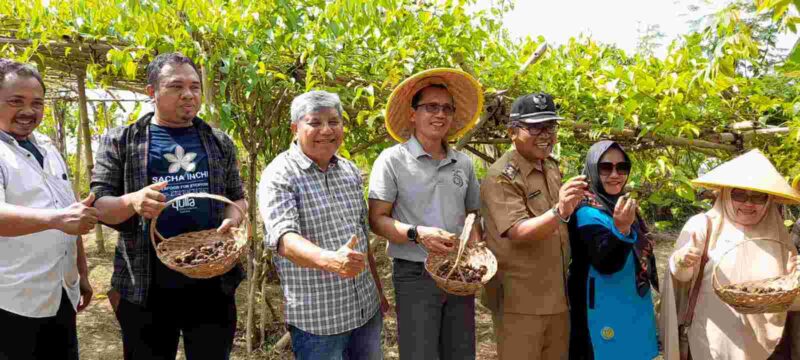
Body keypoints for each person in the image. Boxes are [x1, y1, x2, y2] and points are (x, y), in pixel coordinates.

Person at [91, 53, 247, 360]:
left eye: (195, 86)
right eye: (176, 86)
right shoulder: (122, 141)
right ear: (152, 92)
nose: (188, 94)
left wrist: (233, 218)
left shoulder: (218, 141)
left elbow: (237, 198)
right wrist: (133, 201)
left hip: (210, 282)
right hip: (146, 285)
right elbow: (99, 205)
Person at [258, 90, 387, 360]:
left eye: (334, 122)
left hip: (365, 309)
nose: (326, 130)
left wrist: (377, 290)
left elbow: (361, 236)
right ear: (295, 128)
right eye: (315, 123)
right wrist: (330, 259)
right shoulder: (279, 175)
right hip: (319, 321)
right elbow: (284, 238)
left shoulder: (349, 171)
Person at [368, 68, 483, 360]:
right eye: (431, 106)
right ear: (412, 114)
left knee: (460, 352)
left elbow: (472, 215)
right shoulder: (392, 160)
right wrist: (417, 234)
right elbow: (377, 219)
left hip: (458, 272)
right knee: (420, 353)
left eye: (446, 108)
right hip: (414, 273)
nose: (440, 114)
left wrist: (476, 255)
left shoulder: (463, 164)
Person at [660, 149, 800, 360]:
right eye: (739, 194)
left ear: (769, 200)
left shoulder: (778, 235)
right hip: (712, 341)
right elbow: (681, 278)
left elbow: (791, 301)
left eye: (758, 197)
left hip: (768, 347)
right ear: (725, 194)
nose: (748, 203)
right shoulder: (704, 225)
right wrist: (683, 261)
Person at [480, 92, 589, 359]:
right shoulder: (500, 177)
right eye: (534, 127)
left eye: (550, 126)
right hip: (520, 301)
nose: (545, 134)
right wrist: (560, 209)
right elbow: (518, 231)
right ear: (512, 132)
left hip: (557, 296)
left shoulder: (550, 166)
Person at [0, 59, 95, 359]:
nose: (28, 111)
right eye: (16, 101)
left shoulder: (47, 147)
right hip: (12, 300)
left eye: (37, 103)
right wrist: (59, 219)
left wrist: (82, 273)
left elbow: (70, 213)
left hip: (60, 294)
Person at [567, 140, 658, 360]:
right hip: (600, 306)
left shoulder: (620, 204)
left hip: (630, 301)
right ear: (592, 170)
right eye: (605, 167)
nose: (615, 174)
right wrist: (621, 229)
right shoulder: (585, 211)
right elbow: (606, 263)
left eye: (622, 167)